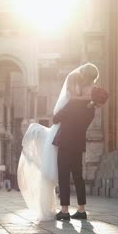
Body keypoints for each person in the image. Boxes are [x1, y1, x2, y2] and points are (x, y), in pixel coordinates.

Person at [17, 63, 108, 221]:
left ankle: (64, 210)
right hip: (78, 143)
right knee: (78, 176)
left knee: (64, 176)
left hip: (65, 142)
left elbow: (56, 118)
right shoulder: (91, 109)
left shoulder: (72, 103)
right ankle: (81, 209)